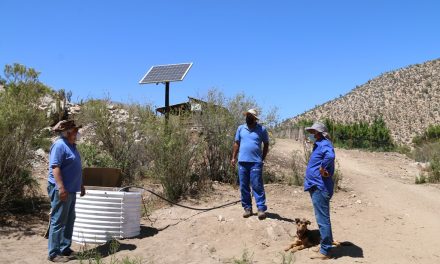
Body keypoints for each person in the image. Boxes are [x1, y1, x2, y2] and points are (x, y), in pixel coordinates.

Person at [47, 120, 85, 263]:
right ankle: (53, 253)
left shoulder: (72, 146)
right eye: (75, 131)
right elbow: (55, 167)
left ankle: (65, 248)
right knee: (58, 220)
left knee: (69, 219)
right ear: (68, 132)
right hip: (62, 189)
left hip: (72, 189)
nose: (78, 133)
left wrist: (81, 185)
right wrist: (61, 188)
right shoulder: (59, 145)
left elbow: (75, 167)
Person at [304, 121, 336, 260]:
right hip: (316, 185)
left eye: (314, 132)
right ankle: (326, 244)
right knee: (322, 218)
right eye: (312, 132)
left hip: (320, 186)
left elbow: (330, 156)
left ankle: (325, 251)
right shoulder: (318, 145)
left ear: (320, 133)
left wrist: (323, 168)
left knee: (322, 219)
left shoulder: (325, 144)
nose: (312, 134)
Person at [231, 109, 269, 220]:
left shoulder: (262, 129)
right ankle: (247, 208)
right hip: (242, 162)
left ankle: (261, 209)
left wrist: (262, 158)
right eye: (247, 116)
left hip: (256, 163)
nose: (248, 118)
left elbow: (266, 144)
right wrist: (233, 157)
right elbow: (236, 143)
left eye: (250, 116)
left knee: (257, 185)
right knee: (243, 186)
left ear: (254, 118)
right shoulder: (240, 128)